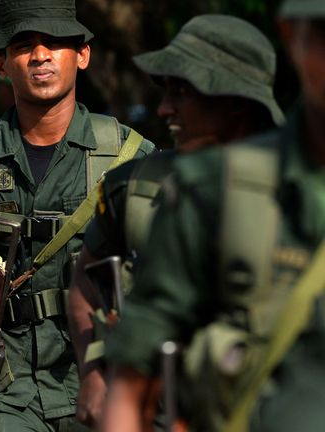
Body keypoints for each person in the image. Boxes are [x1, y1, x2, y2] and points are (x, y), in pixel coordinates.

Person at [0, 0, 155, 430]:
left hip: (103, 379)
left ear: (82, 55)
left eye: (55, 43)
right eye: (24, 45)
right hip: (5, 391)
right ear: (2, 63)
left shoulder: (129, 156)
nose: (40, 55)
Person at [102, 1, 325, 431]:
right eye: (322, 33)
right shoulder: (200, 190)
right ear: (290, 34)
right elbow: (130, 382)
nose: (165, 109)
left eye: (182, 91)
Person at [65, 15, 284, 428]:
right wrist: (94, 370)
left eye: (182, 92)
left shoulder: (300, 199)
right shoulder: (133, 186)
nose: (165, 109)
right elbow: (83, 283)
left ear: (235, 100)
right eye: (165, 91)